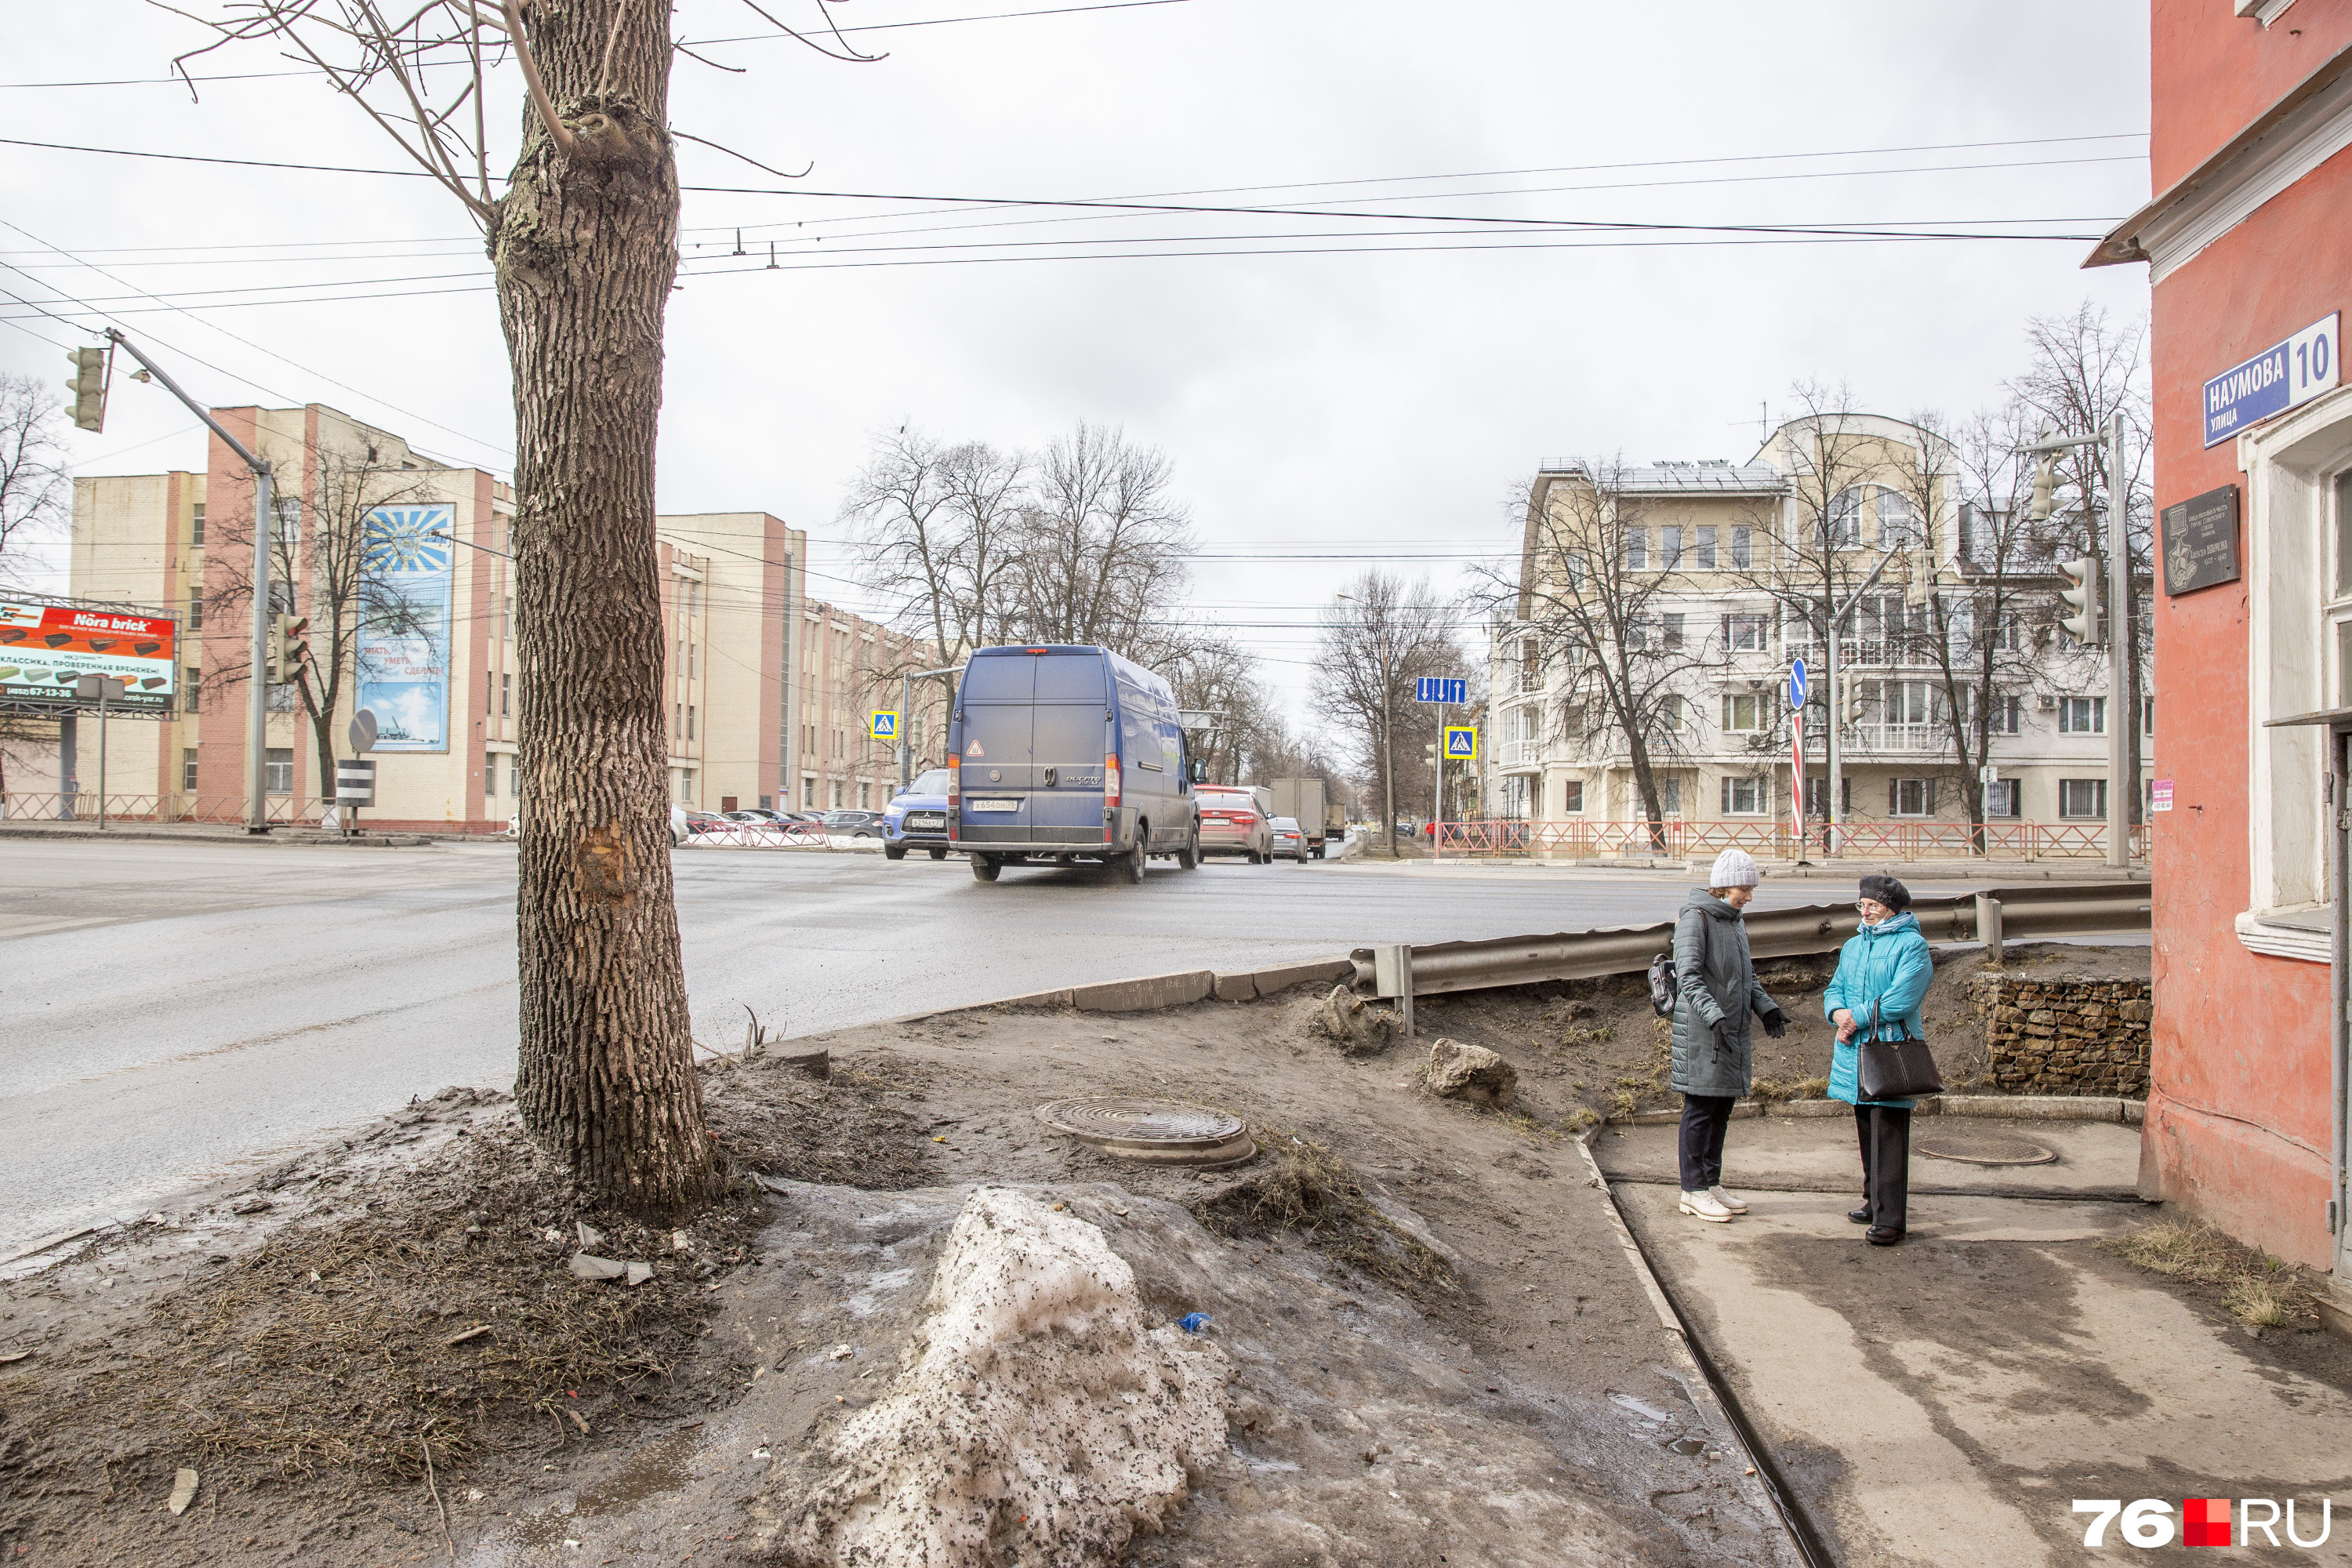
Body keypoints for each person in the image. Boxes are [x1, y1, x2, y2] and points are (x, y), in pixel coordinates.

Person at [1671, 849, 1788, 1222]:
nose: (1749, 897)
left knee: (1721, 1109)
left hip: (1729, 1030)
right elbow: (1688, 977)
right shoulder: (1696, 918)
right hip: (1704, 1032)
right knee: (1701, 1110)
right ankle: (1692, 1190)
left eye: (1752, 890)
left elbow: (1746, 976)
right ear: (1722, 886)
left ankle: (1710, 1181)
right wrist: (1715, 1019)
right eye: (1743, 889)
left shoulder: (1734, 921)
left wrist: (1765, 1007)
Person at [1824, 874, 1934, 1246]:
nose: (1866, 911)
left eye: (1873, 905)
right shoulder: (1854, 945)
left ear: (1893, 908)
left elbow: (1903, 998)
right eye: (1862, 905)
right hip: (1856, 1049)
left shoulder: (1912, 945)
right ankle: (1874, 1202)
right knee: (1867, 1129)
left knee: (1888, 1132)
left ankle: (1891, 1219)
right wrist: (1837, 1012)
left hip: (1889, 1052)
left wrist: (1855, 1017)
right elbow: (1834, 988)